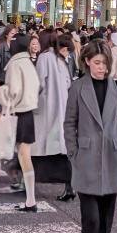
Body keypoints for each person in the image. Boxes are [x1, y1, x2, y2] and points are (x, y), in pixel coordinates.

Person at [63, 40, 117, 233]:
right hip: (85, 160)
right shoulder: (77, 88)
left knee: (105, 222)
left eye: (105, 64)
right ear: (87, 61)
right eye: (97, 63)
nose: (102, 68)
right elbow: (69, 123)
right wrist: (73, 153)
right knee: (91, 220)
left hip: (113, 159)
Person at [0, 33, 39, 210]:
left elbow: (13, 92)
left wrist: (0, 91)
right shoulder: (29, 64)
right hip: (28, 115)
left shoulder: (15, 64)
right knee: (25, 156)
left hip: (14, 114)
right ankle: (31, 200)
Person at [31, 31, 74, 201]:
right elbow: (68, 82)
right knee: (61, 149)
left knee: (37, 146)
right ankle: (69, 186)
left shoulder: (44, 58)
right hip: (62, 106)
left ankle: (26, 182)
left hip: (46, 106)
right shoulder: (59, 59)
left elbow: (39, 82)